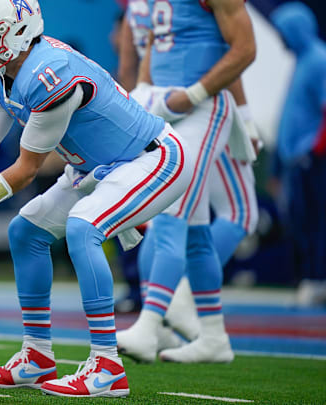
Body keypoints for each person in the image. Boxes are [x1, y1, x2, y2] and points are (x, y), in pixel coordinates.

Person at [0, 0, 194, 398]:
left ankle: (107, 365)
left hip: (152, 159)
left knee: (83, 227)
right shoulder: (2, 72)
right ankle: (37, 355)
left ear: (17, 32)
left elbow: (25, 169)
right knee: (25, 231)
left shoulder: (48, 74)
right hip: (96, 169)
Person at [115, 0, 261, 355]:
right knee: (194, 228)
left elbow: (243, 49)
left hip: (202, 105)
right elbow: (152, 45)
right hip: (166, 102)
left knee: (171, 211)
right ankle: (213, 337)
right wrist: (144, 94)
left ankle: (150, 324)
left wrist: (195, 94)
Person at [269, 2, 326, 307]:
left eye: (283, 32)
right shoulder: (302, 61)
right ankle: (310, 277)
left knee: (317, 221)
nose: (281, 39)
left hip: (312, 160)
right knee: (302, 221)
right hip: (297, 160)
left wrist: (314, 151)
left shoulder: (318, 59)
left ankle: (318, 280)